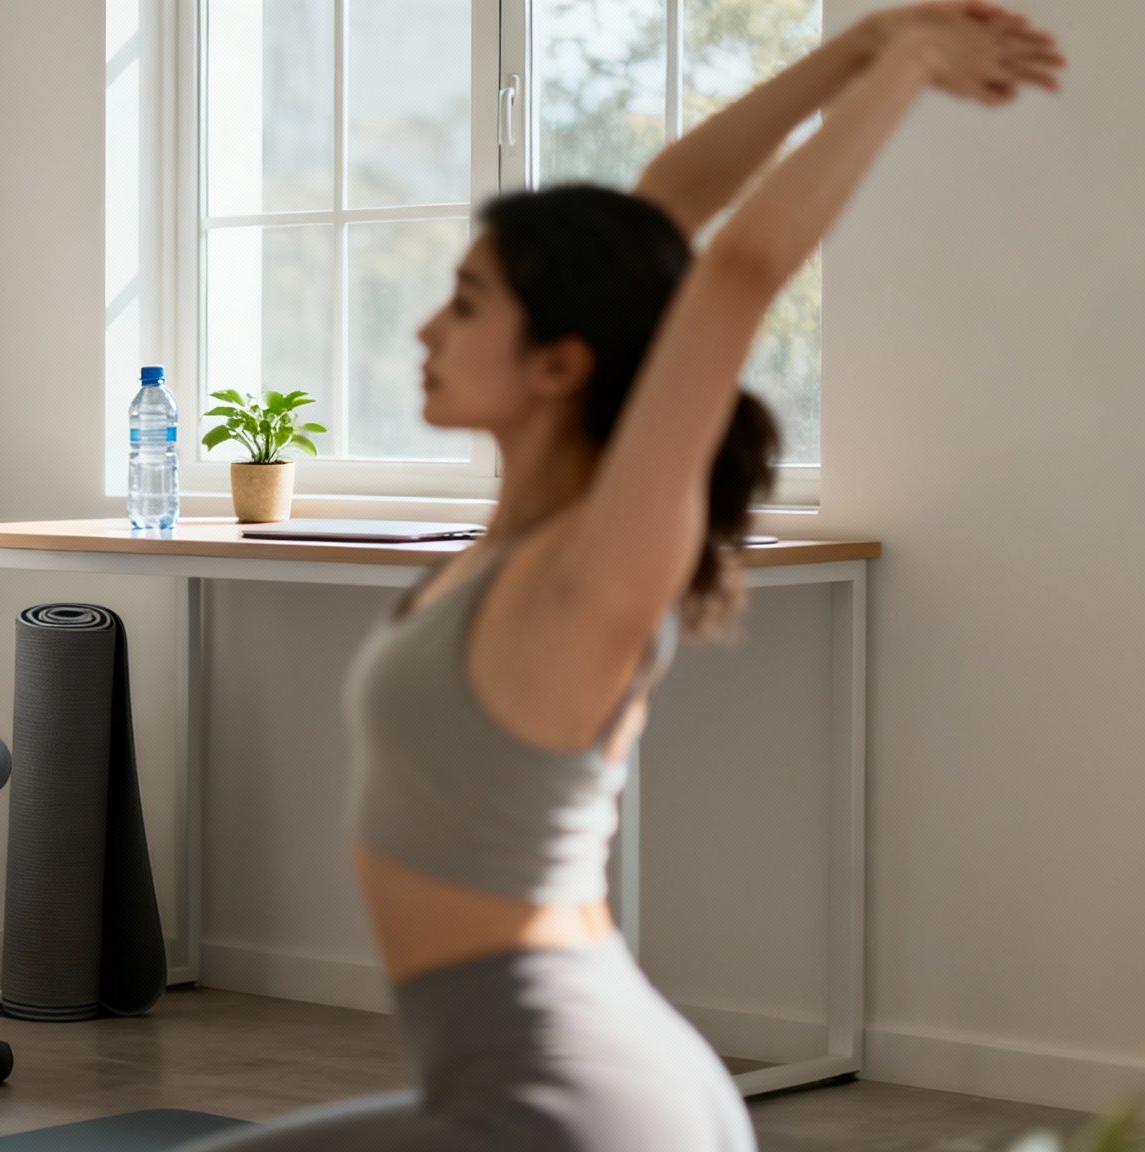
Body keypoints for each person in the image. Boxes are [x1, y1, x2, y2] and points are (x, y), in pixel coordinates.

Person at [185, 4, 1065, 1149]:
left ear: (558, 362)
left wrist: (901, 71)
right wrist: (857, 43)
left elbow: (736, 271)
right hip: (554, 1070)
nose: (420, 332)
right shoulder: (522, 533)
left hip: (567, 1098)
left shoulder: (595, 559)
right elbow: (666, 206)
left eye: (462, 304)